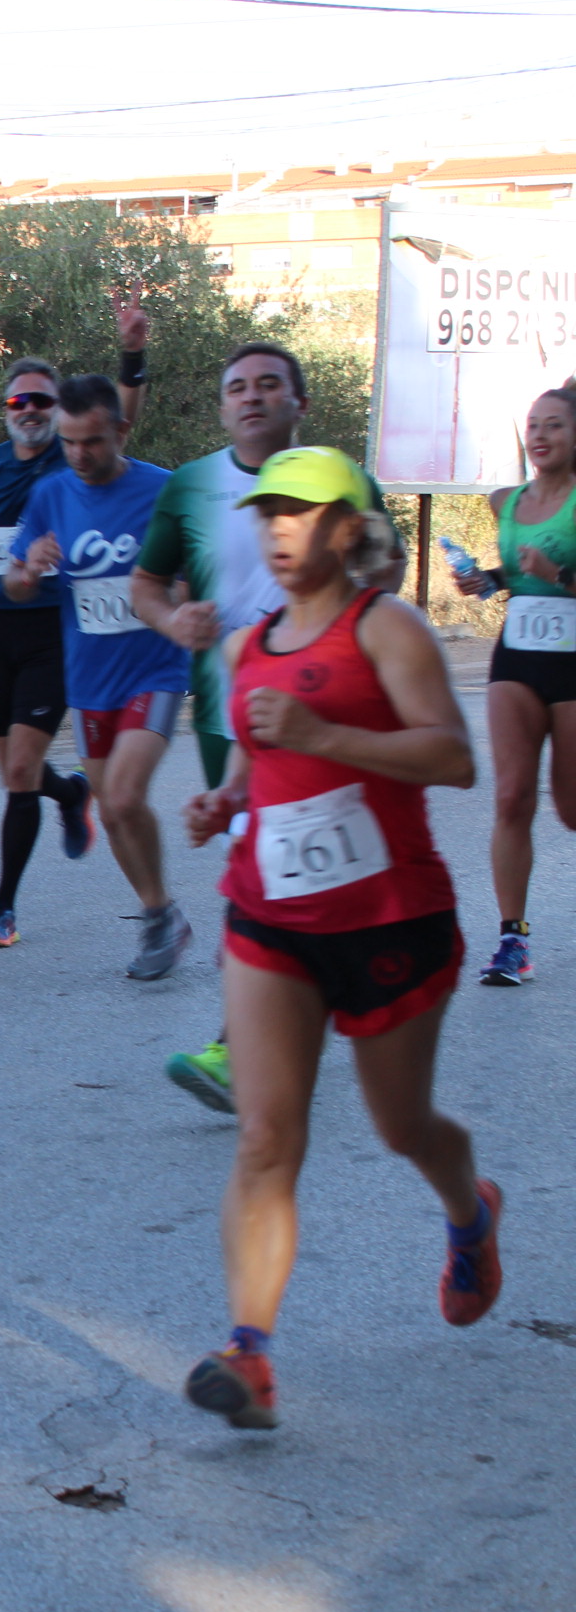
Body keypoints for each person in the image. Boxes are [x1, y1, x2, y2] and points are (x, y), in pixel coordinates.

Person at [176, 445, 498, 1432]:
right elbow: (260, 763)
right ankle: (250, 1353)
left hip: (390, 919)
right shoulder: (247, 646)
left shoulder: (387, 628)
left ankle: (470, 1210)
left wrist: (323, 736)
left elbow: (452, 757)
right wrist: (225, 801)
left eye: (304, 512)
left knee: (403, 1128)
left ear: (349, 528)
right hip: (270, 916)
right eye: (269, 512)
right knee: (267, 1134)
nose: (280, 528)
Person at [131, 343, 391, 1110]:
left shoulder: (344, 481)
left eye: (268, 384)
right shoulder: (191, 485)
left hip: (324, 713)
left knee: (282, 876)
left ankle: (250, 1040)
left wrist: (341, 617)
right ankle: (289, 1013)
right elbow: (145, 584)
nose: (251, 396)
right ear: (222, 407)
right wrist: (173, 620)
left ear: (298, 404)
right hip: (228, 718)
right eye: (237, 387)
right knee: (271, 875)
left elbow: (387, 572)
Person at [0, 300, 149, 945]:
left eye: (42, 401)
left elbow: (122, 417)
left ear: (59, 410)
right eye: (20, 401)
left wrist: (132, 355)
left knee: (19, 771)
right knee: (15, 772)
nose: (31, 411)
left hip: (56, 630)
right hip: (1, 629)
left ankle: (3, 908)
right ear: (6, 409)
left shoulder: (72, 460)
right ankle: (71, 794)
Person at [3, 375, 192, 974]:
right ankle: (160, 913)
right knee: (110, 811)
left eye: (92, 441)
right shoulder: (51, 494)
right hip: (89, 679)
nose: (79, 454)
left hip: (154, 670)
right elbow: (13, 583)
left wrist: (178, 604)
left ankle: (159, 921)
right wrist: (28, 570)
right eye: (69, 442)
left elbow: (192, 574)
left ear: (121, 431)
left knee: (128, 794)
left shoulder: (163, 490)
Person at [452, 380, 576, 988]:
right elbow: (517, 575)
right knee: (511, 798)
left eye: (555, 425)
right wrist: (488, 580)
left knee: (571, 808)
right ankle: (512, 940)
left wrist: (560, 574)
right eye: (534, 425)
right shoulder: (508, 503)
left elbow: (550, 571)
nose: (540, 435)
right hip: (517, 658)